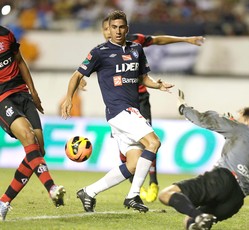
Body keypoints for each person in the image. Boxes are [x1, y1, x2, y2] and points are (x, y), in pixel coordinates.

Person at [61, 10, 173, 213]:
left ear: (127, 28)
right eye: (114, 27)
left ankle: (89, 191)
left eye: (121, 27)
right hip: (119, 111)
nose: (118, 31)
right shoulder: (99, 52)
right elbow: (76, 75)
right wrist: (69, 98)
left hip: (132, 111)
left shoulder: (137, 49)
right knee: (154, 142)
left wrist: (158, 85)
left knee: (133, 164)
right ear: (108, 30)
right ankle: (133, 195)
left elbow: (142, 79)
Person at [102, 16, 206, 203]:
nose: (113, 32)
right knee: (124, 142)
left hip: (140, 98)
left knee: (150, 140)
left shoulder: (135, 41)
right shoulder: (103, 52)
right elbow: (87, 69)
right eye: (109, 29)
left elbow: (157, 40)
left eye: (118, 27)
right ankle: (135, 183)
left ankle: (153, 181)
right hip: (119, 103)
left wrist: (186, 40)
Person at [158, 90, 249, 230]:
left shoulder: (244, 130)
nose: (236, 120)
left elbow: (207, 120)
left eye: (239, 118)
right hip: (235, 200)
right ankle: (198, 217)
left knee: (166, 194)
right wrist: (232, 129)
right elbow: (241, 151)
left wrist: (183, 108)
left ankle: (198, 216)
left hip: (222, 180)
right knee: (191, 222)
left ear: (248, 122)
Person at [0, 25, 65, 221]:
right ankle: (51, 188)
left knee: (38, 151)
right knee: (28, 138)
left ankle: (3, 201)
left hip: (22, 94)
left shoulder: (6, 35)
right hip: (3, 98)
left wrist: (33, 92)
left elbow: (20, 61)